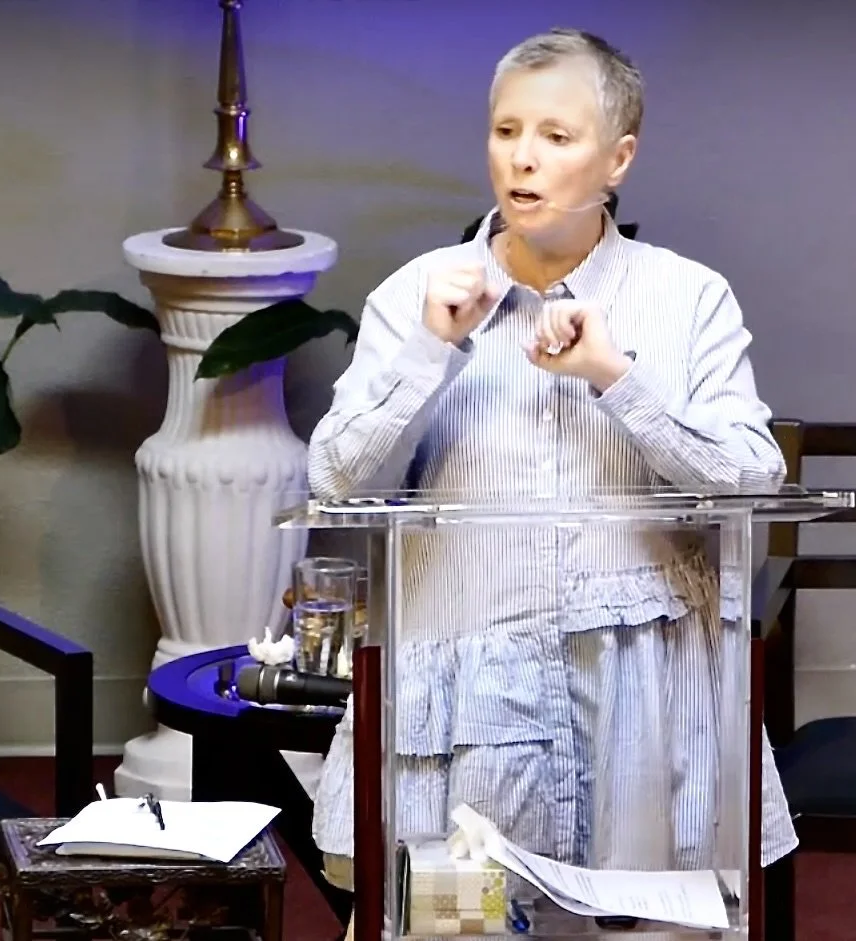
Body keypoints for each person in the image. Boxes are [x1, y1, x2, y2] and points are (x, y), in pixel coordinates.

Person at [308, 27, 796, 895]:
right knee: (467, 924)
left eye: (556, 138)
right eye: (505, 131)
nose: (521, 160)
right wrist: (432, 351)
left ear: (619, 158)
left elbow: (754, 481)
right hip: (467, 709)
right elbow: (337, 482)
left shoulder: (687, 298)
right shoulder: (420, 293)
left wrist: (616, 377)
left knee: (645, 920)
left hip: (639, 706)